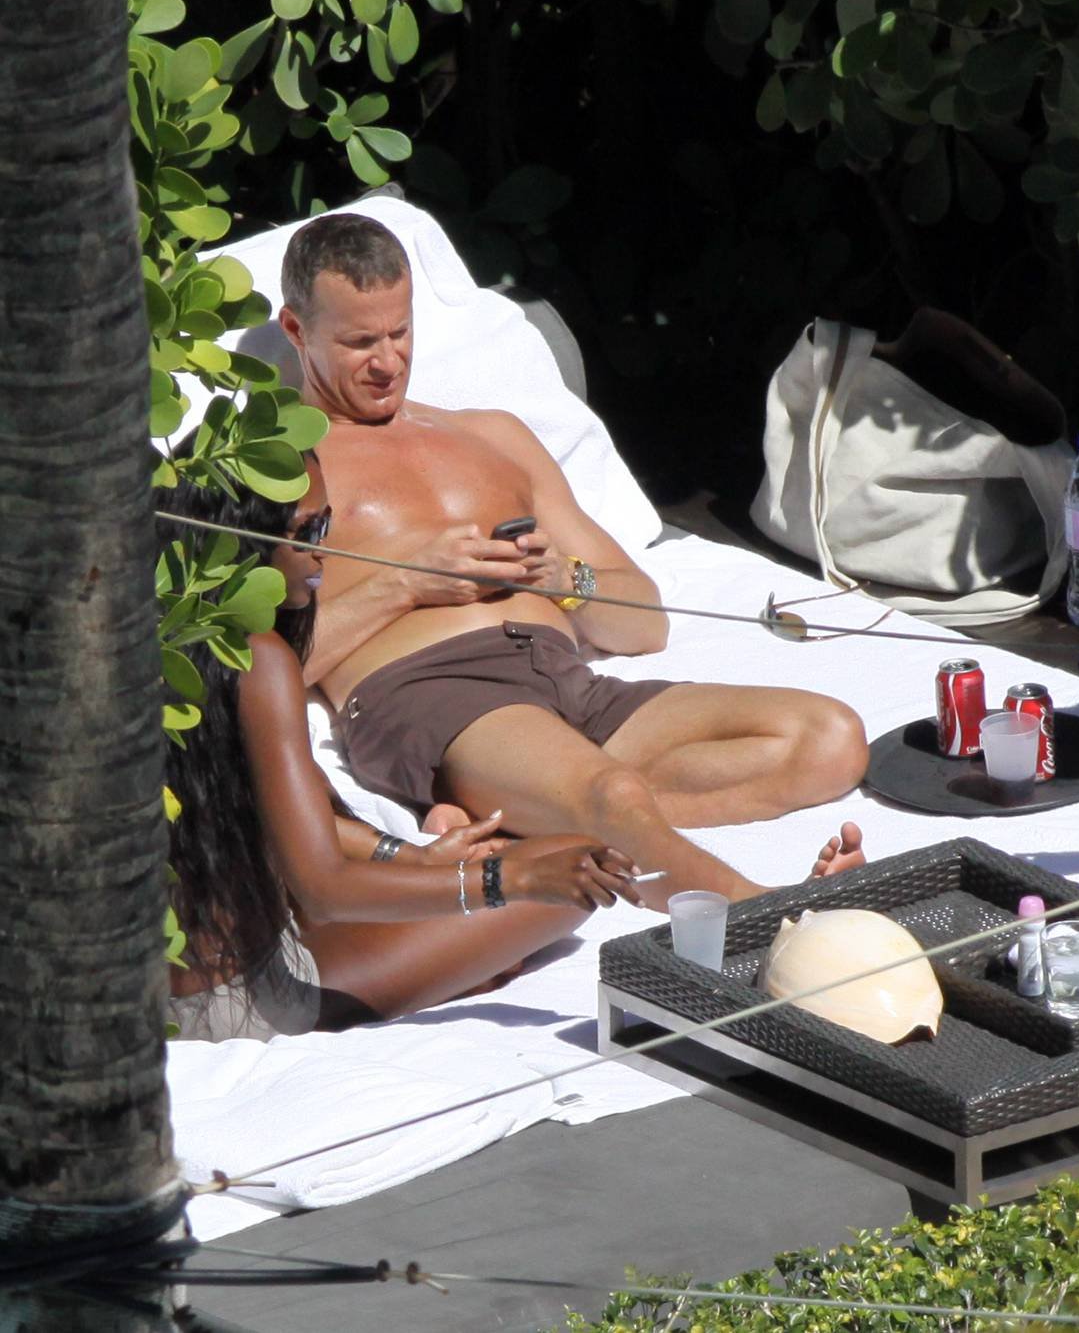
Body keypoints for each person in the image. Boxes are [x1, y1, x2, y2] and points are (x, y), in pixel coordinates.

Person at [277, 212, 868, 906]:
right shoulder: (283, 467)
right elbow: (252, 675)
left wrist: (565, 581)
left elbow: (645, 622)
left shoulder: (492, 437)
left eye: (400, 333)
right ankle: (770, 916)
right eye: (359, 342)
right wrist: (407, 583)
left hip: (566, 684)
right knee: (611, 792)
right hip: (434, 695)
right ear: (296, 331)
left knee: (829, 739)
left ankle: (534, 815)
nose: (387, 362)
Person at [159, 456, 642, 1042]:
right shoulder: (259, 660)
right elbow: (324, 890)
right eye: (307, 530)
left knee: (547, 866)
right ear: (242, 537)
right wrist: (509, 882)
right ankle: (450, 974)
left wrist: (409, 859)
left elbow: (260, 809)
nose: (324, 551)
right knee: (572, 871)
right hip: (239, 997)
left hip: (164, 974)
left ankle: (449, 959)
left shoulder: (173, 634)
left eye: (327, 524)